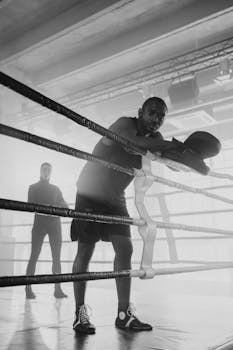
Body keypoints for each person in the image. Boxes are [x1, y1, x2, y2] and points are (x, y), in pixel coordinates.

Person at [71, 97, 176, 334]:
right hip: (90, 190)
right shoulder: (124, 124)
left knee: (125, 248)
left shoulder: (156, 139)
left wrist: (191, 154)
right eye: (152, 112)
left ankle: (123, 314)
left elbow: (171, 161)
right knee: (86, 249)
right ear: (140, 112)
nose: (156, 119)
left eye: (161, 115)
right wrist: (171, 147)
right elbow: (132, 142)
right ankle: (79, 313)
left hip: (115, 196)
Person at [26, 162, 68, 299]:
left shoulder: (56, 189)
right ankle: (28, 288)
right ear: (40, 171)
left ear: (51, 172)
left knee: (56, 257)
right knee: (34, 255)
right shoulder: (33, 187)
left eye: (48, 170)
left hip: (54, 225)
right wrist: (52, 207)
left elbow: (65, 205)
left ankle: (58, 289)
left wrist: (50, 206)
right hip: (40, 224)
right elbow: (30, 205)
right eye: (44, 169)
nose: (46, 172)